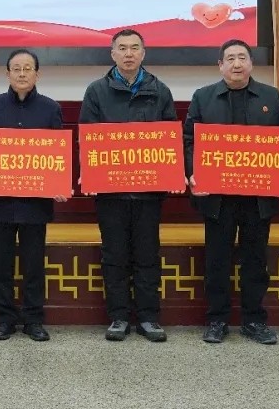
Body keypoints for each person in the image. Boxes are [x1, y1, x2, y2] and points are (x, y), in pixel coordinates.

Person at [184, 39, 279, 345]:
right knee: (217, 260)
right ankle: (217, 320)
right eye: (230, 58)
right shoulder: (203, 97)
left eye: (242, 57)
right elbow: (189, 140)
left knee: (255, 261)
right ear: (220, 65)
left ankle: (254, 320)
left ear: (251, 64)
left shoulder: (270, 97)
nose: (236, 63)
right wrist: (193, 172)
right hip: (217, 198)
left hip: (258, 198)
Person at [79, 29, 179, 342]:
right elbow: (87, 138)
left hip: (149, 192)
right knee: (114, 255)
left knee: (148, 255)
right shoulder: (96, 91)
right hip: (110, 192)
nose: (128, 54)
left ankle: (149, 318)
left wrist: (173, 173)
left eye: (134, 48)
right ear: (112, 54)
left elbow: (170, 139)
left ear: (143, 53)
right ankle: (119, 317)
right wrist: (89, 173)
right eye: (122, 48)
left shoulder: (160, 90)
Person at [0, 49, 65, 342]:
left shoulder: (50, 108)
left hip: (36, 203)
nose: (22, 74)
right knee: (2, 264)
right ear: (7, 73)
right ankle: (5, 319)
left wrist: (60, 184)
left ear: (37, 73)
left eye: (27, 68)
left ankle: (34, 320)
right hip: (0, 202)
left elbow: (58, 154)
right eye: (16, 68)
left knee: (34, 265)